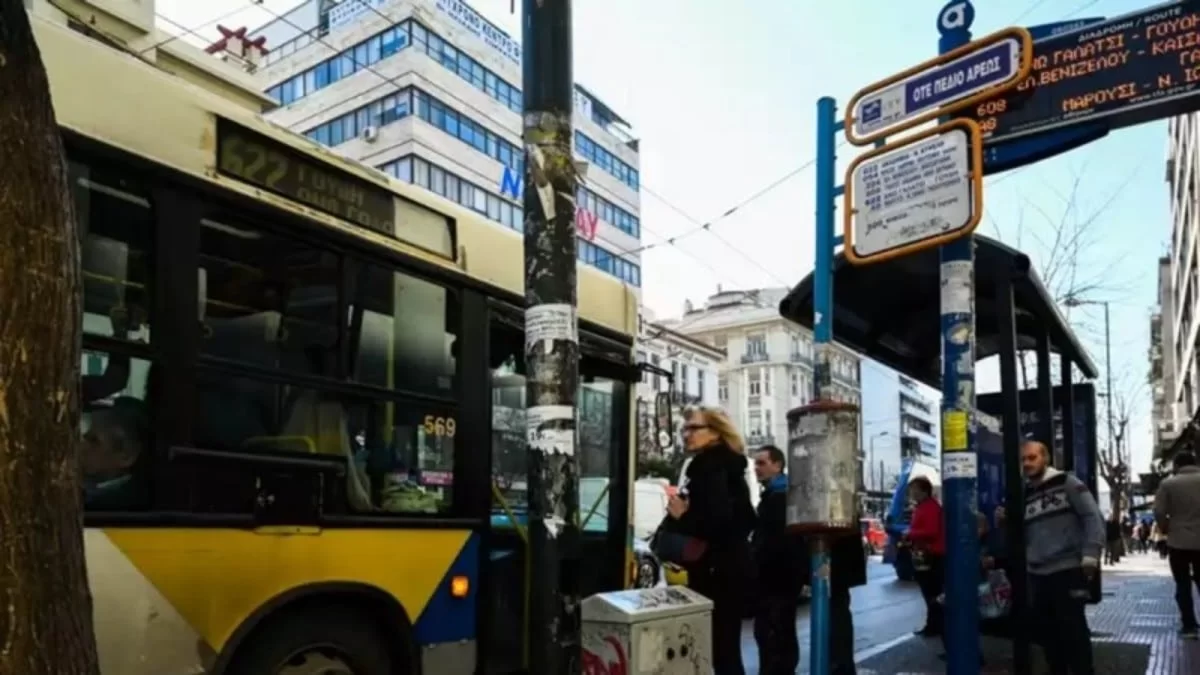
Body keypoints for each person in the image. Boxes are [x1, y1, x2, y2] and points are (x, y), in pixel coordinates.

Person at [1000, 439, 1104, 675]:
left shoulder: (1068, 483)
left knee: (1074, 631)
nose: (1027, 463)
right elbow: (1026, 534)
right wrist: (1007, 523)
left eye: (1032, 457)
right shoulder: (1026, 494)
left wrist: (1090, 554)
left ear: (1045, 459)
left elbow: (1092, 517)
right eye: (1023, 459)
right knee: (1048, 635)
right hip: (1038, 574)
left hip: (1068, 569)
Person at [666, 406, 755, 675]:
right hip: (728, 570)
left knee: (719, 652)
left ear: (716, 432)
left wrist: (683, 516)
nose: (686, 434)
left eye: (694, 428)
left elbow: (717, 523)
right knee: (725, 650)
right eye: (685, 429)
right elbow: (746, 519)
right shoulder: (728, 466)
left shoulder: (711, 468)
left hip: (716, 573)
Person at [750, 445, 806, 675]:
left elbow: (773, 543)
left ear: (778, 465)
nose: (757, 468)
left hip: (776, 580)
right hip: (781, 579)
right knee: (778, 634)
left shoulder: (779, 498)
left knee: (773, 636)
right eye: (756, 463)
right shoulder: (778, 494)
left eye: (762, 463)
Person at [1153, 450, 1200, 639]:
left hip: (1178, 540)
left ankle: (1189, 625)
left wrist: (1165, 528)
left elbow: (1159, 511)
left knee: (1182, 583)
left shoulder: (1168, 484)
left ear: (1177, 465)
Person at [81, 396, 149, 509]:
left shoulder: (107, 506)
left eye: (93, 440)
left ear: (126, 456)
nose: (81, 445)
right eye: (84, 436)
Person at [905, 476, 945, 638]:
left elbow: (931, 531)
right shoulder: (923, 507)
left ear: (923, 491)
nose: (911, 493)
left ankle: (935, 625)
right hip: (927, 553)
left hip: (932, 555)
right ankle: (933, 624)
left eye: (914, 489)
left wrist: (910, 533)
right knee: (929, 592)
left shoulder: (930, 507)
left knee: (931, 592)